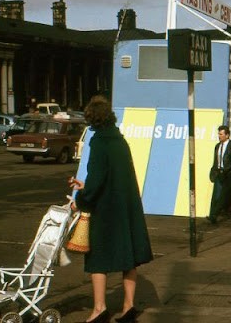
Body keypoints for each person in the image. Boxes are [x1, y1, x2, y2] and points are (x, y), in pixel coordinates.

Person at [69, 96, 153, 323]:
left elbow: (97, 180)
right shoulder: (120, 140)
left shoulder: (98, 142)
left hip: (105, 210)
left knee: (97, 258)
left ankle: (99, 308)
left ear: (92, 119)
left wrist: (81, 199)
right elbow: (115, 176)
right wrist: (89, 186)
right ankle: (128, 307)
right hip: (125, 208)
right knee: (129, 258)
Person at [207, 125, 231, 224]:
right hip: (219, 173)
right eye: (218, 134)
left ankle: (213, 215)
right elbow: (216, 160)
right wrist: (213, 171)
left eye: (221, 134)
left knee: (222, 195)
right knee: (221, 194)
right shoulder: (218, 146)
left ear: (227, 135)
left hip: (228, 174)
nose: (219, 136)